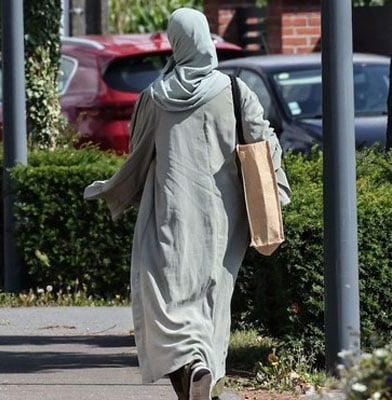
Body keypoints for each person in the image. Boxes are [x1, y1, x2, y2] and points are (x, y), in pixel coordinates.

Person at [83, 7, 291, 400]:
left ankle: (190, 371)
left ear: (176, 42)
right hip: (225, 220)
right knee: (212, 298)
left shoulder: (155, 97)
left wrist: (110, 189)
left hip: (170, 216)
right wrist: (277, 190)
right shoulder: (234, 90)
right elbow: (265, 145)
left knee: (168, 301)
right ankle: (206, 370)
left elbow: (138, 156)